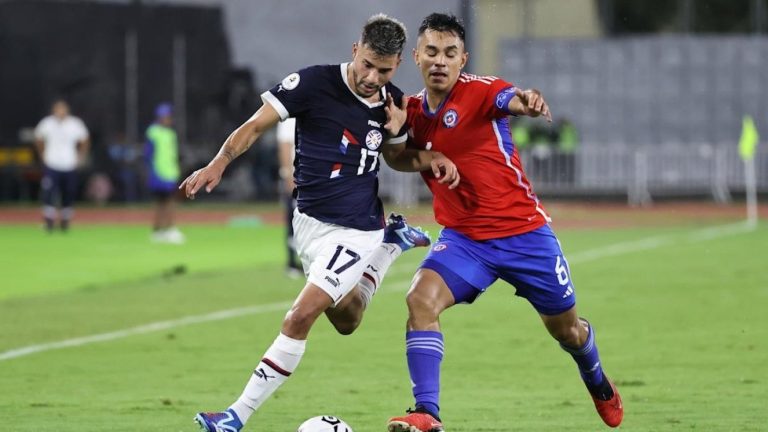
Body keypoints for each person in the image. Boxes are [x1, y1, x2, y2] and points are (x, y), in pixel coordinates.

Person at [182, 14, 458, 432]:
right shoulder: (312, 83)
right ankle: (391, 246)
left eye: (383, 70)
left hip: (355, 227)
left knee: (299, 317)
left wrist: (425, 154)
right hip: (308, 223)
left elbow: (398, 159)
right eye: (366, 64)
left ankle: (235, 416)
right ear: (355, 51)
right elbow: (256, 125)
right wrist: (221, 161)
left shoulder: (393, 103)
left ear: (397, 64)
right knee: (347, 319)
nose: (371, 77)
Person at [384, 13, 623, 431]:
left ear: (463, 59)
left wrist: (527, 100)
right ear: (416, 56)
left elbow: (511, 98)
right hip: (465, 241)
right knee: (420, 300)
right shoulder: (410, 111)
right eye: (432, 52)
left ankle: (598, 380)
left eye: (450, 53)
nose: (440, 61)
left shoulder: (481, 91)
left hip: (525, 235)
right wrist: (404, 144)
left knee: (568, 332)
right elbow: (398, 158)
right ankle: (427, 412)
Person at [34, 99, 90, 232]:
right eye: (58, 109)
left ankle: (65, 219)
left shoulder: (75, 123)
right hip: (52, 163)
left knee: (68, 192)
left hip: (69, 164)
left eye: (63, 109)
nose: (61, 112)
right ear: (54, 110)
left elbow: (85, 140)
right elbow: (38, 138)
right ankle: (49, 220)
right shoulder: (47, 123)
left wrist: (80, 157)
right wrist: (43, 155)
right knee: (49, 192)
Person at [145, 102, 184, 244]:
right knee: (164, 202)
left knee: (167, 201)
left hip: (170, 172)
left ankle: (163, 230)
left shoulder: (171, 133)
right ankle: (166, 229)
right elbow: (148, 154)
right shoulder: (153, 132)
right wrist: (152, 171)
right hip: (159, 172)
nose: (168, 119)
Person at [276, 117, 303, 278]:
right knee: (294, 221)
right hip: (298, 177)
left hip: (315, 178)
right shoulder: (290, 117)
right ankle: (292, 263)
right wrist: (288, 176)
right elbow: (285, 146)